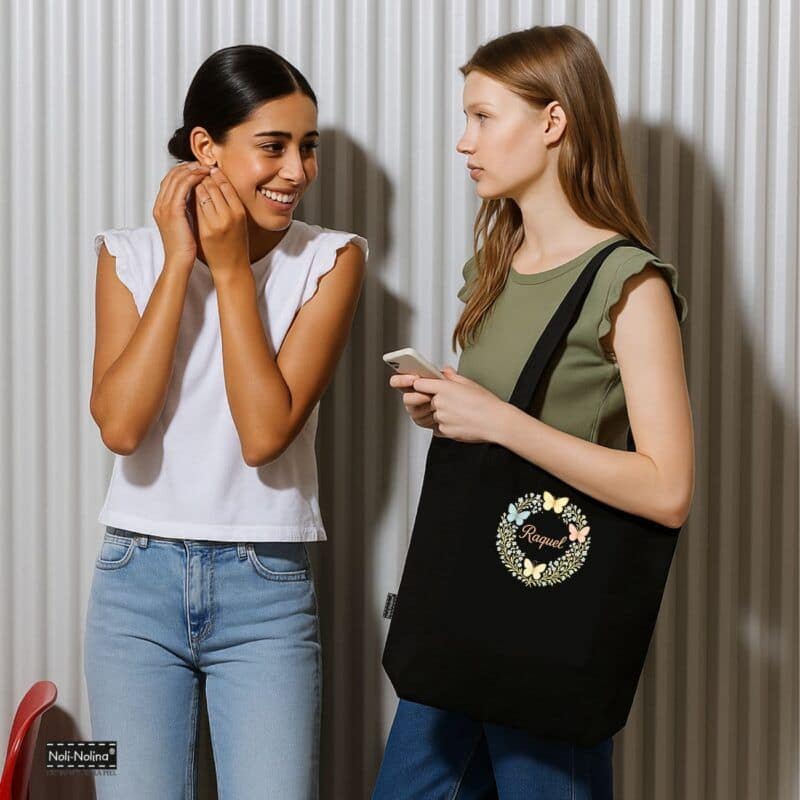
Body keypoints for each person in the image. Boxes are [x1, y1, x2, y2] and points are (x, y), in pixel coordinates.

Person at [374, 25, 693, 800]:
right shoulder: (496, 265)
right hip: (464, 614)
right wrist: (448, 413)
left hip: (547, 617)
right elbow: (505, 422)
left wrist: (497, 422)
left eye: (483, 117)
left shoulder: (630, 284)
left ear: (553, 123)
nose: (463, 141)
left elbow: (667, 488)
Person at [84, 44, 367, 799]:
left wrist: (233, 268)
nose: (298, 172)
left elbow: (263, 434)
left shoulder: (332, 262)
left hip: (266, 586)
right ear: (205, 149)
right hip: (131, 584)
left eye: (308, 148)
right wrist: (181, 262)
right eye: (273, 147)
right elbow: (119, 427)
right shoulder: (128, 256)